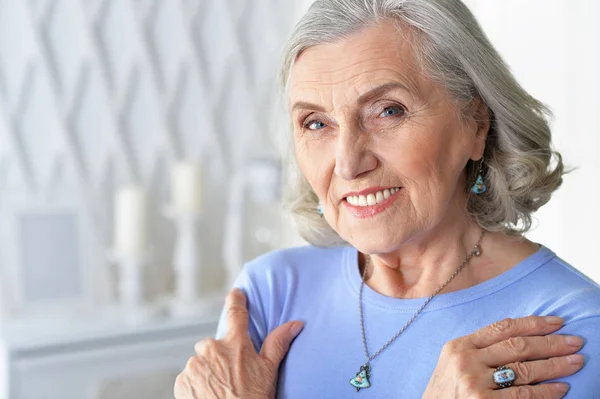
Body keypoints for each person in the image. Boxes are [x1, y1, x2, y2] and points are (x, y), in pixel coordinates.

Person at [174, 0, 600, 397]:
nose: (347, 163)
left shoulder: (568, 328)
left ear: (475, 123)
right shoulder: (271, 292)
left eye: (388, 110)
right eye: (316, 123)